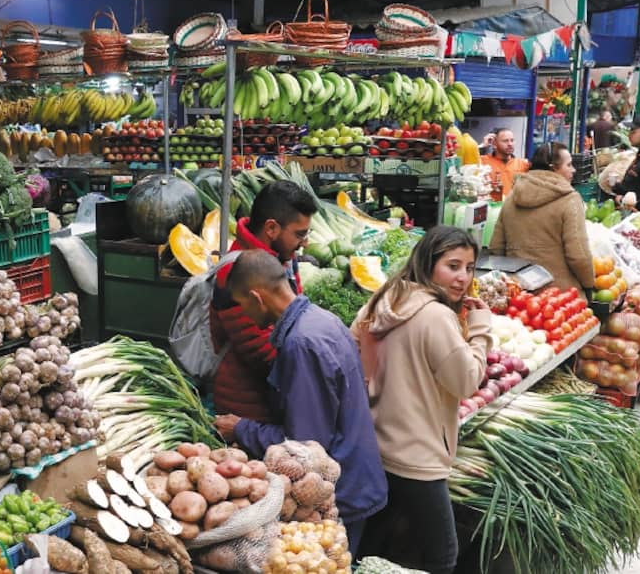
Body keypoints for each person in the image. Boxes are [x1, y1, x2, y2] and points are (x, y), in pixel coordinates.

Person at [214, 250, 387, 555]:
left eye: (243, 305)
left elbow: (306, 447)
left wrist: (242, 429)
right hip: (358, 476)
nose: (246, 315)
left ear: (257, 297)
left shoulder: (300, 344)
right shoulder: (321, 320)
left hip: (342, 491)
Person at [351, 226, 491, 574]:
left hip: (377, 445)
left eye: (470, 268)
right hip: (417, 456)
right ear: (429, 264)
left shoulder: (387, 297)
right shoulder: (435, 316)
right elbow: (467, 381)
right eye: (453, 266)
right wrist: (480, 329)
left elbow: (354, 343)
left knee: (372, 544)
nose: (463, 278)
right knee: (442, 555)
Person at [210, 181, 317, 423]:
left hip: (272, 399)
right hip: (246, 409)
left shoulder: (284, 258)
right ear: (271, 228)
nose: (306, 242)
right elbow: (262, 352)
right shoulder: (237, 272)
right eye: (299, 234)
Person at [489, 142, 595, 296]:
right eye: (569, 165)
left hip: (519, 294)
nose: (574, 170)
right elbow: (578, 254)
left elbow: (496, 247)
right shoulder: (570, 199)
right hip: (560, 298)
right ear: (553, 168)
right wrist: (589, 284)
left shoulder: (512, 197)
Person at [480, 128, 530, 197]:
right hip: (493, 206)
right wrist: (483, 146)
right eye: (505, 141)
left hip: (514, 206)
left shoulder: (523, 164)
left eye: (512, 140)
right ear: (494, 144)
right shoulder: (483, 161)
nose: (510, 144)